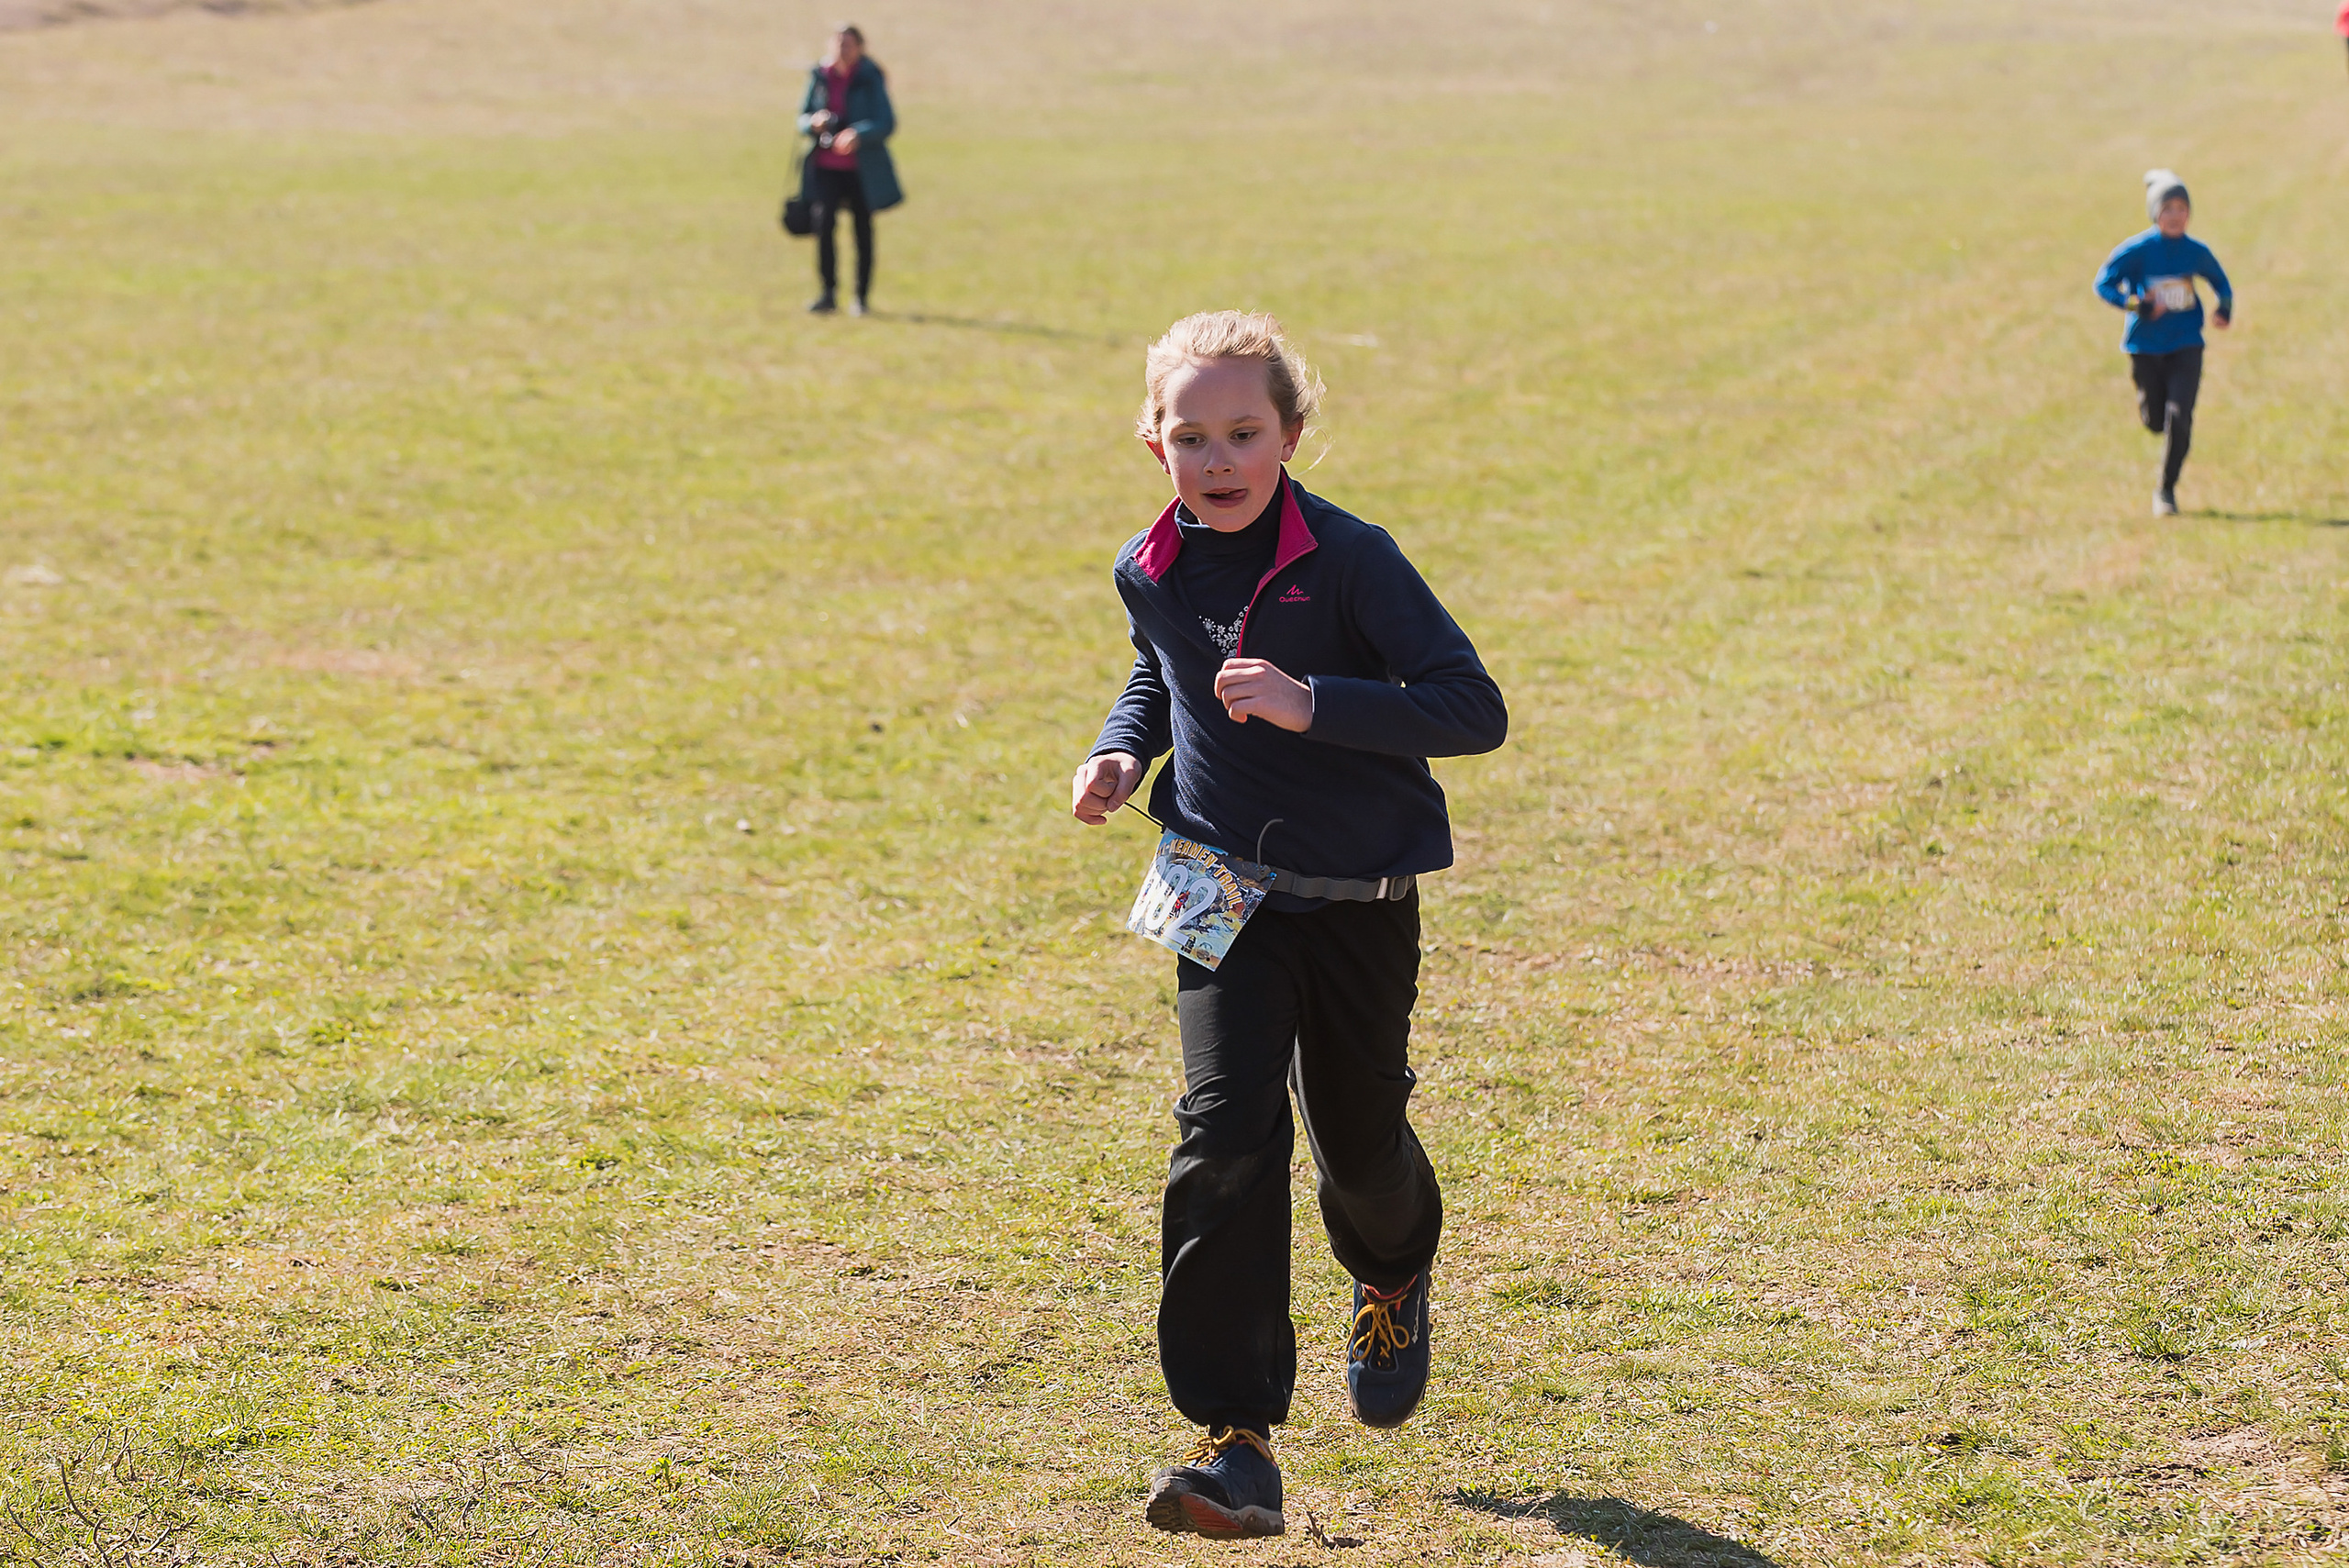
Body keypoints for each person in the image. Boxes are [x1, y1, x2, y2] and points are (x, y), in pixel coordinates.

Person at [1069, 312, 1508, 1540]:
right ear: (1153, 442)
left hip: (1357, 895)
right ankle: (1234, 1440)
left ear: (1291, 434)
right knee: (1222, 1136)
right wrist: (1119, 750)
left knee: (1359, 1144)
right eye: (1191, 435)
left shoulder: (1356, 560)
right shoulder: (1147, 564)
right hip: (1209, 878)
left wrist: (1313, 703)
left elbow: (1472, 708)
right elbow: (1161, 667)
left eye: (1244, 433)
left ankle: (1391, 1267)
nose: (1218, 458)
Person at [2093, 170, 2232, 516]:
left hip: (2186, 343)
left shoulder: (2195, 252)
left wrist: (2224, 308)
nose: (2175, 215)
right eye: (2167, 208)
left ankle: (2166, 491)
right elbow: (2104, 284)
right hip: (2145, 346)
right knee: (2156, 420)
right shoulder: (2139, 251)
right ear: (2156, 214)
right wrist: (2135, 304)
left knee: (2179, 417)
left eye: (2182, 208)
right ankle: (2154, 420)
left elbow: (2221, 282)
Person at [794, 25, 901, 315]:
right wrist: (812, 123)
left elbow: (887, 122)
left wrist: (858, 135)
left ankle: (861, 298)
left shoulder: (869, 77)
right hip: (825, 166)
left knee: (862, 231)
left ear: (860, 48)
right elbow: (801, 118)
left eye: (849, 44)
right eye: (838, 43)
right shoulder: (820, 76)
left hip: (860, 169)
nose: (843, 49)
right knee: (824, 229)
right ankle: (827, 294)